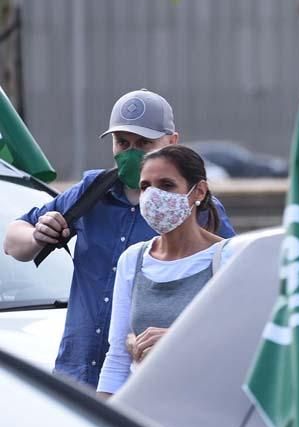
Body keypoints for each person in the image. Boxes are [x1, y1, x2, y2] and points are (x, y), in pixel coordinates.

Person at [3, 90, 235, 388]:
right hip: (79, 370)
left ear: (171, 141)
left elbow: (231, 294)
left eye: (144, 143)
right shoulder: (91, 191)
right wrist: (38, 234)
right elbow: (13, 242)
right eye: (122, 143)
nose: (132, 153)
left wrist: (181, 334)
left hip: (152, 376)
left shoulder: (194, 207)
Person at [97, 145, 235, 397]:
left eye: (167, 185)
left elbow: (246, 344)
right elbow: (117, 358)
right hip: (145, 409)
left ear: (199, 191)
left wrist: (178, 339)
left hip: (210, 409)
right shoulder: (133, 259)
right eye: (146, 186)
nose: (153, 196)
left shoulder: (229, 257)